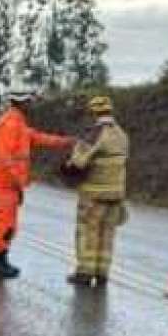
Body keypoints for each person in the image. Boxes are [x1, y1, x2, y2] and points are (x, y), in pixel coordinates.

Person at [0, 89, 71, 278]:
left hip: (11, 183)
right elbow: (5, 157)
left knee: (9, 224)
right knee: (4, 223)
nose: (31, 105)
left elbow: (39, 137)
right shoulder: (10, 123)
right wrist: (18, 180)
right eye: (29, 101)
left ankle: (1, 259)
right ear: (21, 102)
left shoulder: (19, 123)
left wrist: (65, 142)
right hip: (6, 182)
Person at [63, 94, 129, 286]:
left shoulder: (95, 133)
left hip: (94, 194)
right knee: (107, 235)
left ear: (93, 112)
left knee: (88, 232)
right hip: (116, 194)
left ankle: (84, 272)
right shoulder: (122, 135)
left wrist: (68, 166)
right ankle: (102, 274)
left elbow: (79, 162)